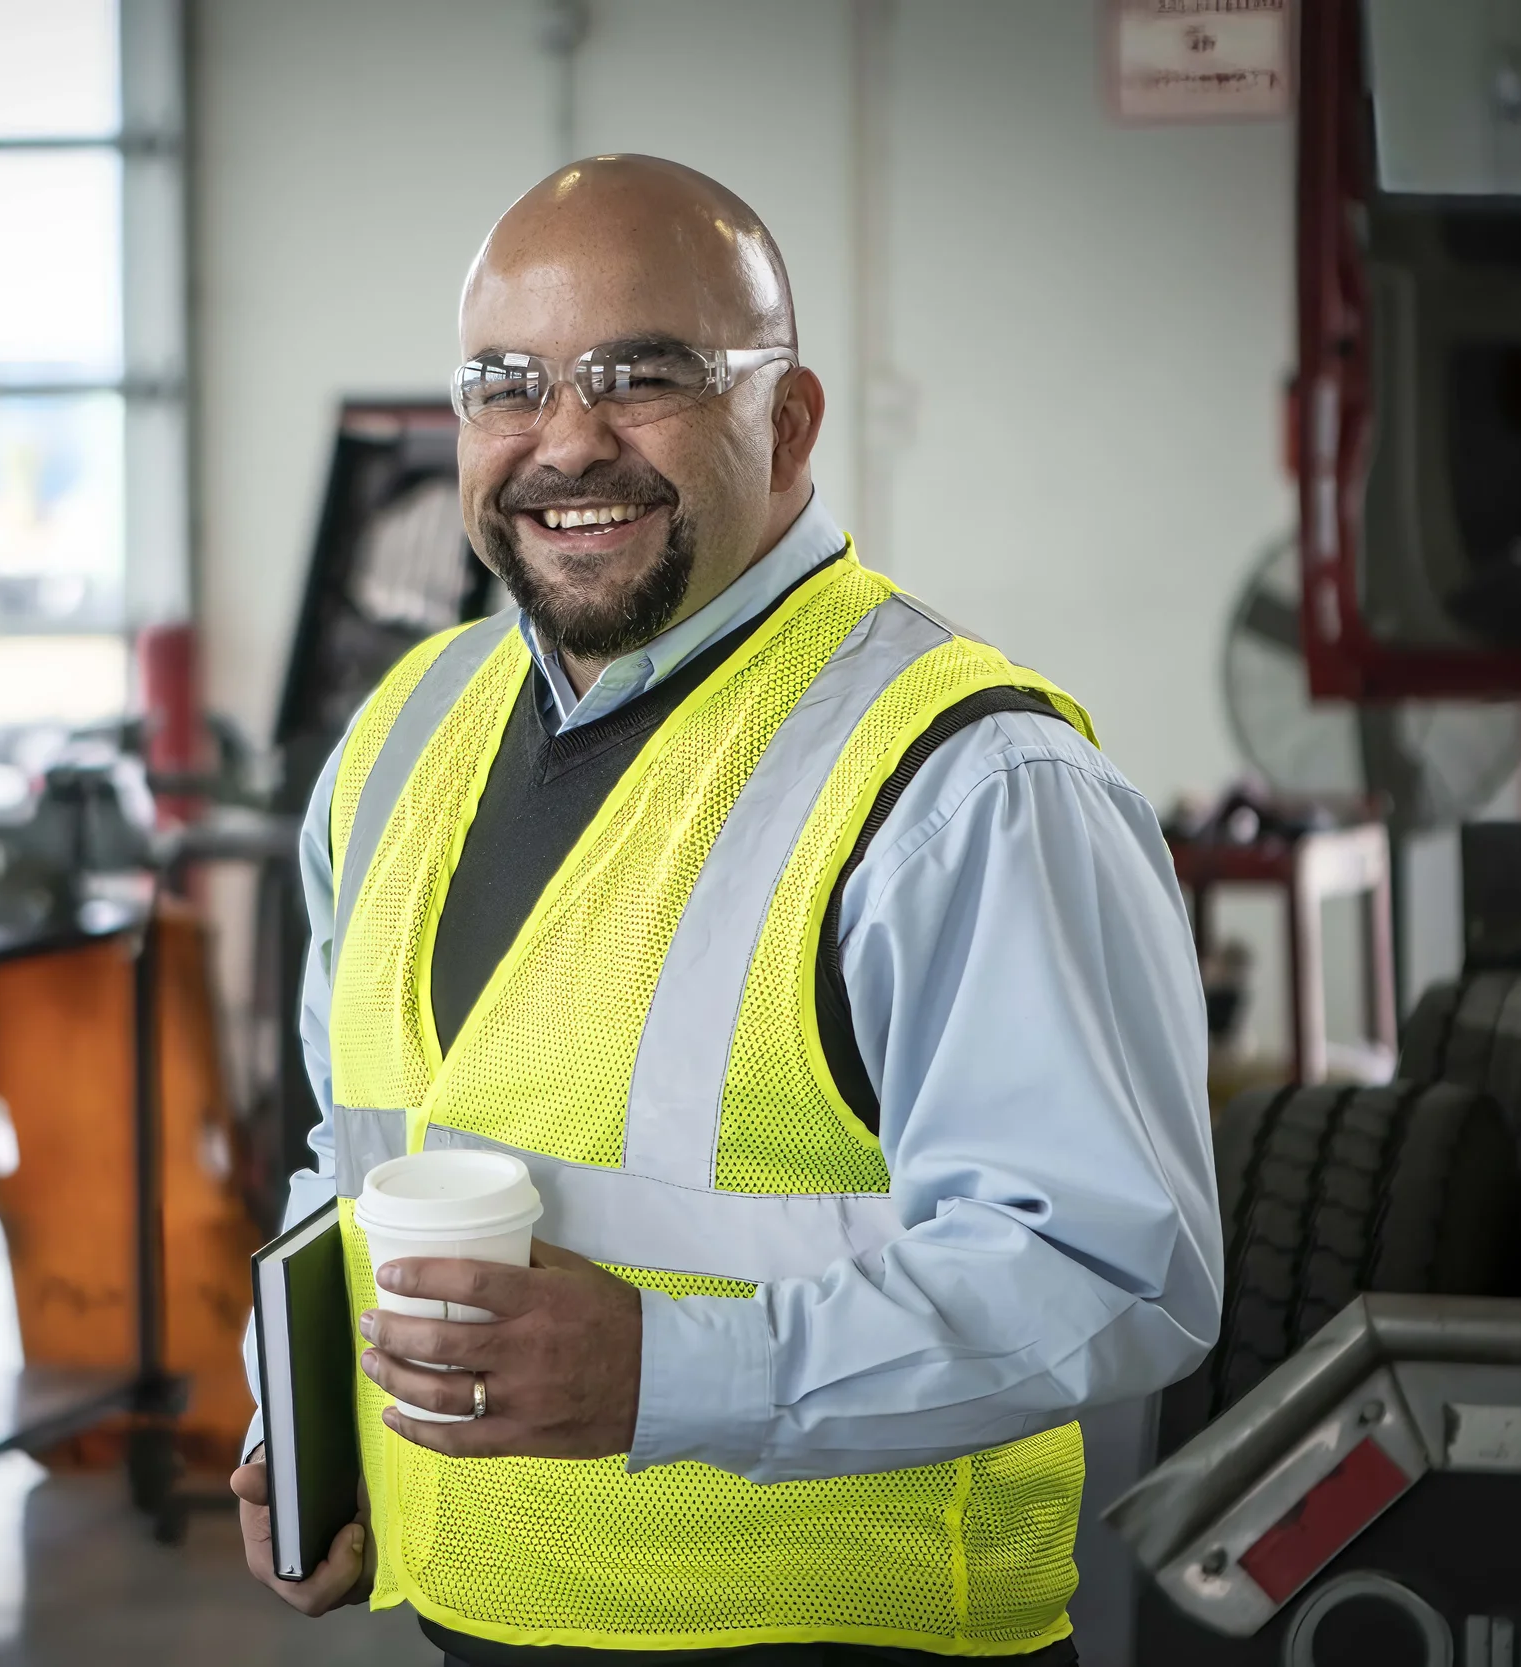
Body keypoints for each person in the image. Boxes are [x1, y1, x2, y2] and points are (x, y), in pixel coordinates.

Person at [231, 154, 1220, 1666]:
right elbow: (358, 1153)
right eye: (508, 384)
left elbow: (1109, 1271)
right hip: (466, 1623)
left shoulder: (965, 780)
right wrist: (306, 1424)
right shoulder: (403, 732)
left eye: (641, 376)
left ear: (791, 419)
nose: (564, 441)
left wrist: (667, 1374)